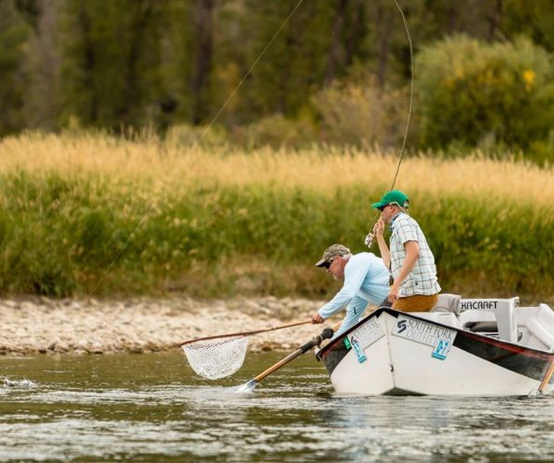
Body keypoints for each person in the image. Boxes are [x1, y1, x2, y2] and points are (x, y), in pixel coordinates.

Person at [372, 190, 440, 312]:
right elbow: (390, 265)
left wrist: (395, 285)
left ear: (391, 208)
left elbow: (414, 252)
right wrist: (379, 236)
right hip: (417, 292)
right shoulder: (400, 225)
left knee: (385, 321)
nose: (380, 213)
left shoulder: (402, 222)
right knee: (383, 317)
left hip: (417, 293)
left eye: (382, 208)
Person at [311, 244, 390, 337]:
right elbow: (351, 320)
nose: (327, 271)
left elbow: (347, 294)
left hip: (404, 300)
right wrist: (334, 343)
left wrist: (322, 313)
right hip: (396, 307)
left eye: (327, 265)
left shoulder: (356, 261)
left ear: (337, 259)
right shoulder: (357, 286)